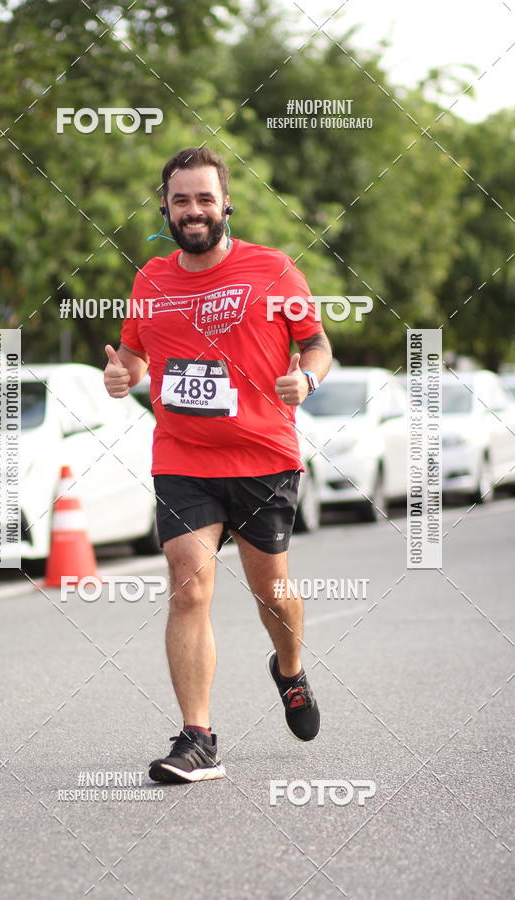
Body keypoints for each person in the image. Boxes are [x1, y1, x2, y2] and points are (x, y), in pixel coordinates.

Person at [104, 147, 332, 784]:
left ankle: (288, 667)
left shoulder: (272, 269)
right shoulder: (150, 279)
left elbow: (315, 343)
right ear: (166, 208)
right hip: (183, 457)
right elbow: (134, 354)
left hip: (262, 455)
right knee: (189, 581)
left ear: (225, 203)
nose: (194, 210)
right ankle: (198, 737)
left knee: (273, 594)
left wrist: (305, 382)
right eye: (181, 200)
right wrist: (123, 375)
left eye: (205, 198)